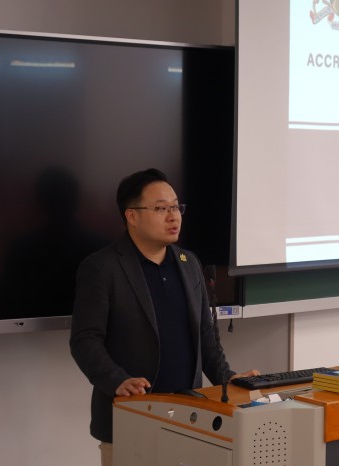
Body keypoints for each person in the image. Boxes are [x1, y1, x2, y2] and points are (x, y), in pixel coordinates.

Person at [69, 168, 258, 466]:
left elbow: (204, 335)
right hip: (130, 419)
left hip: (190, 419)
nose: (174, 216)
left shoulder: (188, 263)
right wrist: (118, 380)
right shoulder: (102, 268)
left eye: (176, 207)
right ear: (132, 216)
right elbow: (85, 340)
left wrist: (228, 379)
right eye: (161, 209)